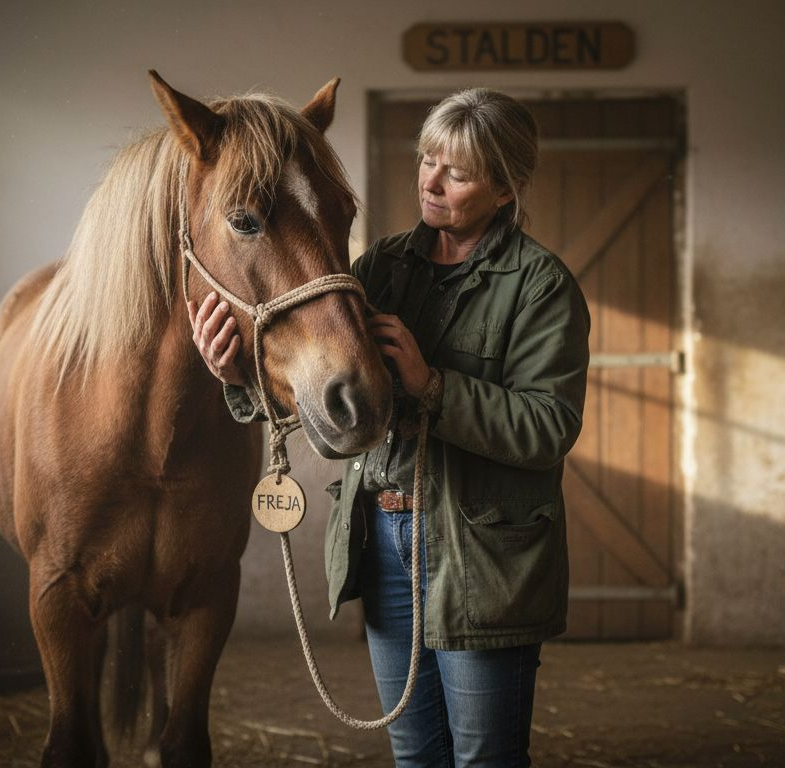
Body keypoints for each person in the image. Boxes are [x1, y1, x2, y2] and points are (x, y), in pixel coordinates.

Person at [190, 88, 589, 767]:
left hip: (483, 558)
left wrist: (433, 386)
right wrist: (235, 376)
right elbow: (322, 398)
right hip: (383, 539)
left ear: (503, 188)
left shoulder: (540, 286)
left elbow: (550, 426)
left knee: (485, 758)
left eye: (456, 172)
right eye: (427, 159)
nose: (429, 181)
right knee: (414, 756)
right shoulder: (378, 268)